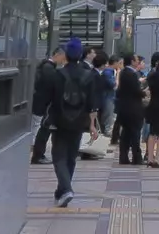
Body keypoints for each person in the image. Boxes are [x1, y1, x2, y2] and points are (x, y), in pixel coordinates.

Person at [46, 38, 98, 210]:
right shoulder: (89, 75)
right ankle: (61, 191)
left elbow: (51, 99)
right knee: (70, 157)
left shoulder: (58, 74)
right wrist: (92, 125)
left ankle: (66, 189)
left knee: (58, 156)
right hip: (80, 121)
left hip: (60, 121)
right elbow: (92, 103)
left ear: (66, 55)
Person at [30, 44, 64, 164]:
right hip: (44, 105)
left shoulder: (46, 67)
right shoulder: (49, 69)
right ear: (57, 55)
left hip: (42, 103)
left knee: (40, 129)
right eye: (63, 57)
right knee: (41, 130)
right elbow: (50, 89)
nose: (63, 60)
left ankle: (38, 153)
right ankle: (38, 154)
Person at [115, 54, 146, 165]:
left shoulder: (123, 73)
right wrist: (144, 93)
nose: (138, 62)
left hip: (124, 108)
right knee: (135, 133)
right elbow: (136, 91)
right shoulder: (132, 74)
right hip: (133, 108)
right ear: (132, 61)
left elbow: (119, 91)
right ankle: (136, 157)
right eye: (137, 60)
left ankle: (123, 157)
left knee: (126, 133)